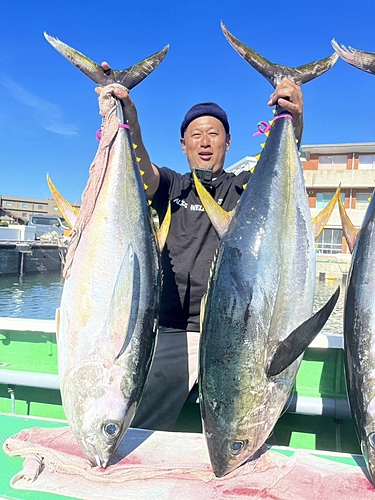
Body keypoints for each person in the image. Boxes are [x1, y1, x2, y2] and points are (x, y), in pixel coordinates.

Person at [98, 70, 304, 431]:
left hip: (239, 331)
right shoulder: (172, 185)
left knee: (254, 413)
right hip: (175, 329)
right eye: (196, 135)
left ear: (228, 141)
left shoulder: (245, 188)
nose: (205, 142)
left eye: (214, 134)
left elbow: (279, 176)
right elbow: (141, 172)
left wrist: (292, 118)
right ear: (183, 145)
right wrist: (128, 115)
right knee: (138, 424)